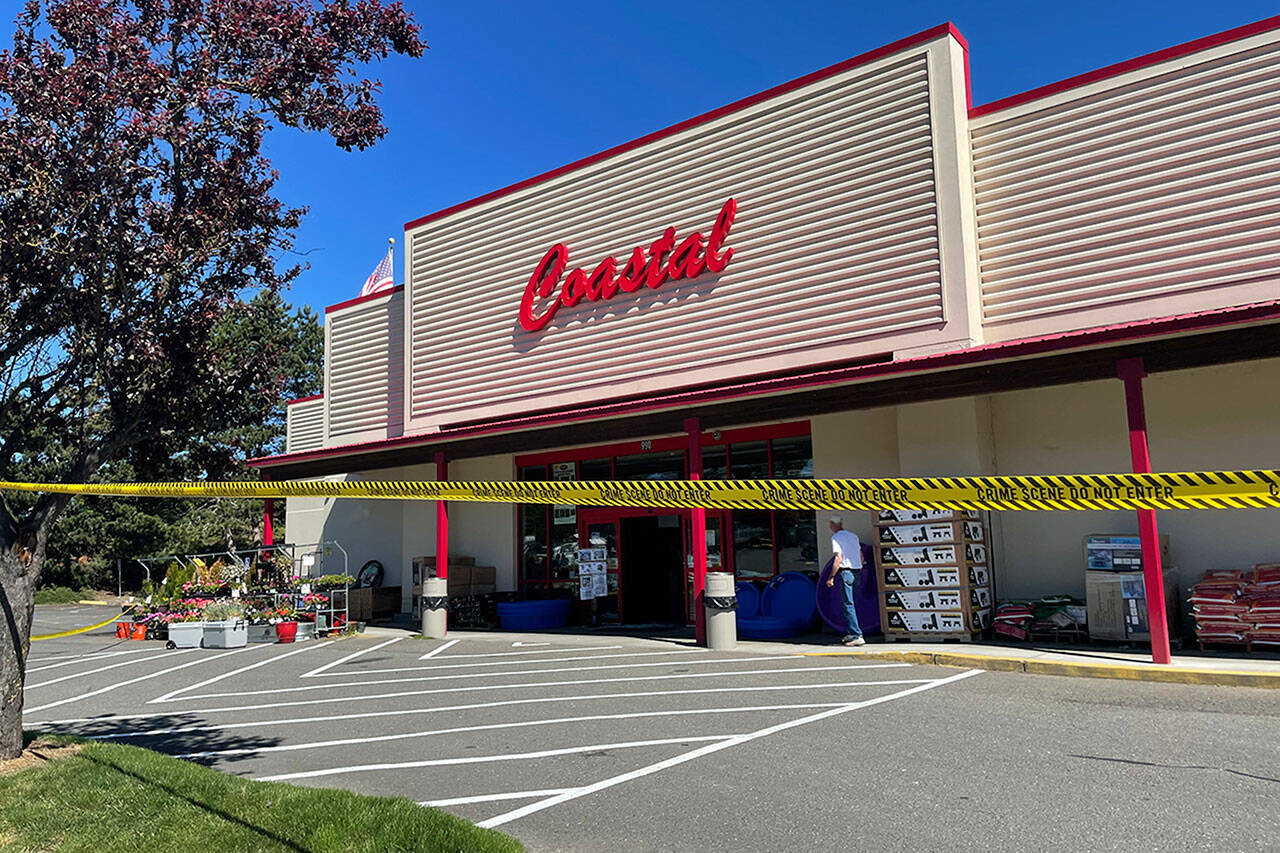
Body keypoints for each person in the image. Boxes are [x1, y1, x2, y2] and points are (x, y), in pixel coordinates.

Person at [825, 516, 865, 646]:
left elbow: (838, 558)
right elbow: (860, 554)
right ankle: (852, 631)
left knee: (848, 605)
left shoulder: (836, 538)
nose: (830, 527)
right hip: (856, 571)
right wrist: (860, 566)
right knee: (853, 603)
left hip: (846, 571)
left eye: (830, 524)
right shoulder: (853, 536)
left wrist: (831, 576)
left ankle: (856, 634)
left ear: (833, 525)